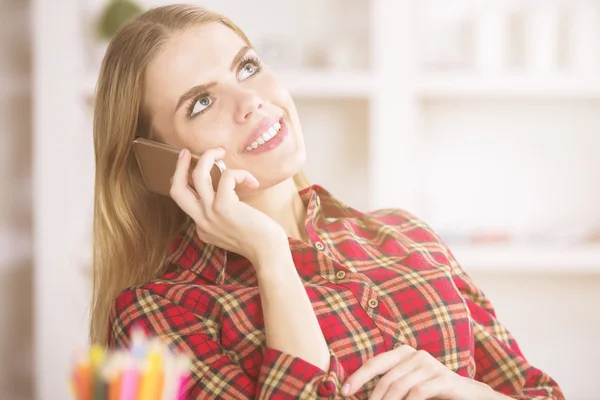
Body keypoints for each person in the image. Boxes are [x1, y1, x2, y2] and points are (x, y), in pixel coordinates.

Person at [90, 4, 564, 399]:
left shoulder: (406, 234)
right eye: (201, 102)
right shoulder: (154, 316)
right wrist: (272, 258)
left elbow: (537, 392)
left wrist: (467, 392)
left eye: (247, 68)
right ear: (156, 161)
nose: (250, 101)